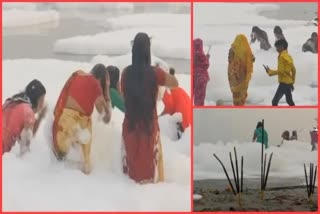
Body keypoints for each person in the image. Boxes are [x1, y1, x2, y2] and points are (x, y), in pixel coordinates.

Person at [121, 32, 178, 184]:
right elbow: (175, 83)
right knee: (150, 174)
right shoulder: (155, 73)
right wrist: (161, 76)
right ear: (148, 51)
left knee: (130, 176)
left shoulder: (126, 73)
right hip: (149, 128)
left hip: (130, 127)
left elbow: (123, 93)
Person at [52, 64, 112, 174]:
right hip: (75, 126)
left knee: (63, 156)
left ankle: (71, 149)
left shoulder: (77, 74)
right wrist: (107, 89)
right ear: (101, 79)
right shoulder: (96, 85)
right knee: (85, 165)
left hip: (62, 123)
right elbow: (105, 117)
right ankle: (83, 165)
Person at [3, 80, 47, 155]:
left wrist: (39, 118)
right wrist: (40, 117)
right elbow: (25, 144)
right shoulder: (28, 112)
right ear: (38, 100)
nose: (43, 104)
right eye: (42, 99)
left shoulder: (11, 101)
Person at [264, 39, 296, 106]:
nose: (276, 49)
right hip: (288, 83)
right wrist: (292, 81)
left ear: (282, 46)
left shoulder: (281, 56)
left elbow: (281, 71)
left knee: (274, 102)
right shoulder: (288, 56)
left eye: (277, 47)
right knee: (290, 101)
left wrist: (270, 72)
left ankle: (275, 115)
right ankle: (295, 114)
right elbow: (294, 70)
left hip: (284, 83)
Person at [161, 68, 191, 139]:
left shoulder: (169, 92)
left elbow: (168, 107)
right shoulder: (179, 91)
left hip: (183, 125)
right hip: (188, 123)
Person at [228, 34, 255, 106]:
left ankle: (236, 105)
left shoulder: (232, 48)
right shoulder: (247, 50)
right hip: (243, 74)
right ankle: (241, 105)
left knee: (236, 92)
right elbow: (252, 59)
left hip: (234, 74)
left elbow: (230, 61)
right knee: (242, 91)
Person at [193, 38, 210, 106]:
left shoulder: (193, 54)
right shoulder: (200, 53)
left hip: (194, 77)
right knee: (200, 96)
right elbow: (206, 65)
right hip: (201, 77)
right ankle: (199, 109)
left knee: (195, 95)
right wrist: (207, 58)